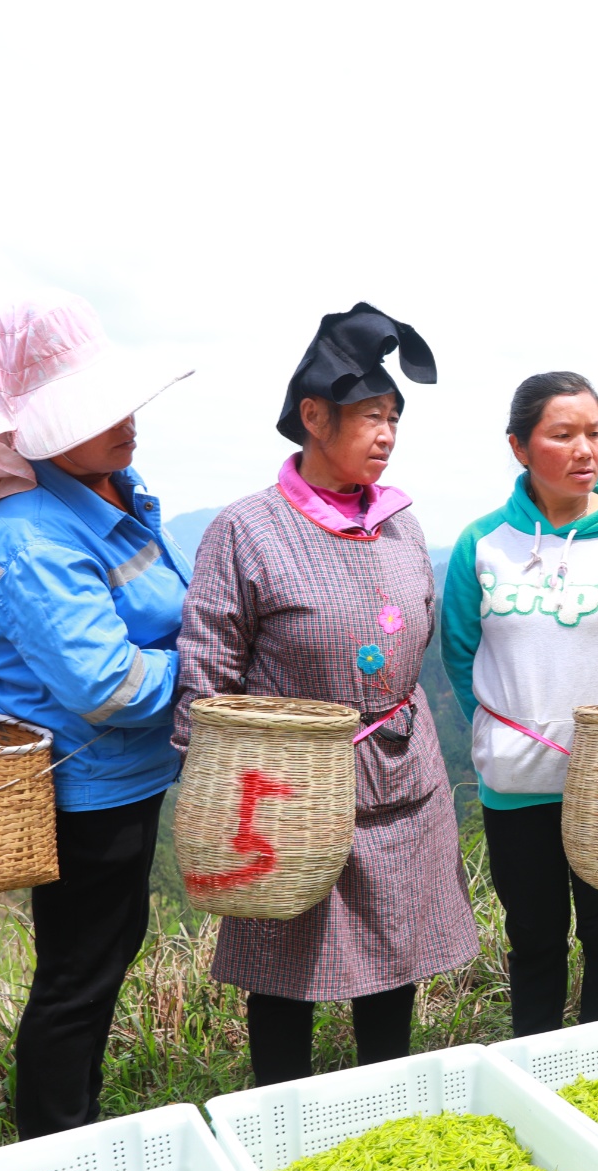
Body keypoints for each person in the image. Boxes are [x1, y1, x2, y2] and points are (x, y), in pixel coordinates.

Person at [175, 304, 477, 1085]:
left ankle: (384, 1111)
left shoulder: (401, 523)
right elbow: (207, 664)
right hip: (290, 793)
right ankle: (281, 1121)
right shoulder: (248, 530)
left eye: (394, 418)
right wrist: (215, 790)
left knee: (396, 954)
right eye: (371, 416)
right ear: (314, 417)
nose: (386, 434)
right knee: (287, 966)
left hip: (404, 776)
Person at [0, 293, 193, 1137]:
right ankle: (53, 1150)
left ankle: (73, 1128)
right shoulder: (34, 532)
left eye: (122, 403)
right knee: (77, 977)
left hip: (128, 776)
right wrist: (206, 674)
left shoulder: (111, 496)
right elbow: (108, 685)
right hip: (87, 785)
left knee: (100, 959)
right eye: (96, 412)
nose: (125, 423)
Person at [442, 372, 598, 1036]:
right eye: (563, 435)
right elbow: (461, 656)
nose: (585, 450)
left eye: (595, 432)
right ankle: (540, 1081)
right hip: (517, 787)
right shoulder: (482, 545)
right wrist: (515, 736)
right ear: (520, 447)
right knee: (535, 945)